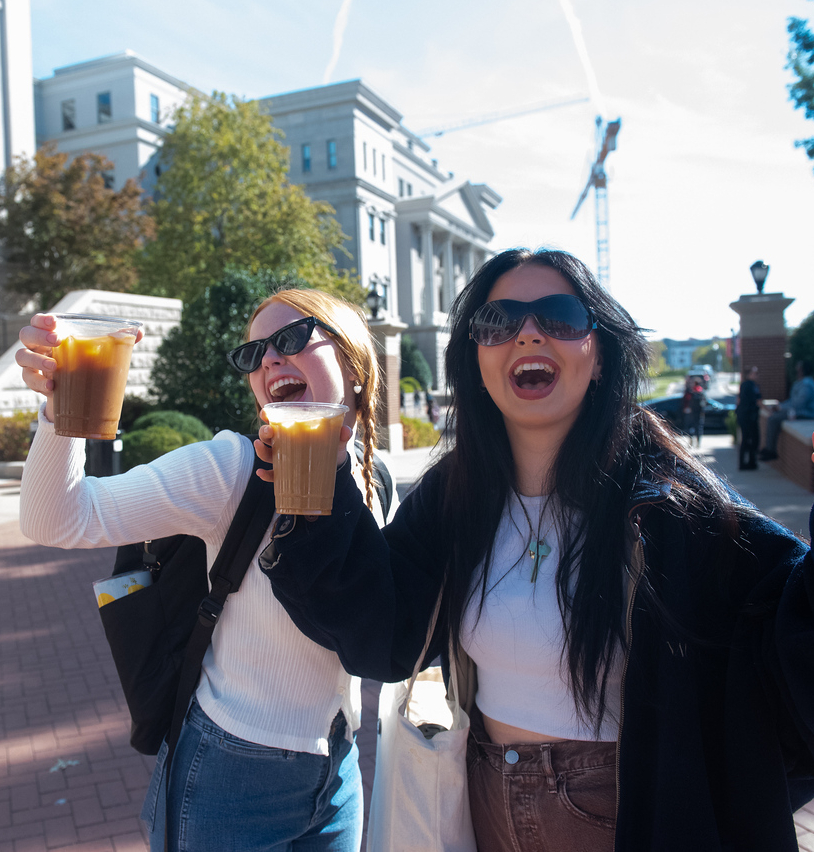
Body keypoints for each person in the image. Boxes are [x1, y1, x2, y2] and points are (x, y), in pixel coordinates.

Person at [258, 248, 814, 851]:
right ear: (475, 359)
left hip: (633, 817)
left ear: (599, 355)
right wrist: (318, 493)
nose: (527, 333)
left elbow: (793, 649)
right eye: (499, 322)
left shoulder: (673, 509)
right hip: (486, 809)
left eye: (559, 316)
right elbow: (380, 635)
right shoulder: (455, 496)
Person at [16, 287, 397, 852]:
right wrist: (56, 410)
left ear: (354, 362)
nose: (269, 359)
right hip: (230, 772)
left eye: (290, 339)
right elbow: (58, 520)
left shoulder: (376, 477)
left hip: (338, 773)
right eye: (254, 353)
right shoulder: (229, 469)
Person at [760, 359, 814, 460]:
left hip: (806, 413)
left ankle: (771, 450)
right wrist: (780, 406)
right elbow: (792, 401)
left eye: (799, 369)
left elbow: (799, 404)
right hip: (797, 411)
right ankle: (768, 448)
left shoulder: (807, 385)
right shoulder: (800, 383)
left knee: (774, 419)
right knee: (773, 416)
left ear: (803, 370)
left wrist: (781, 407)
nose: (797, 370)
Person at [736, 365, 762, 470]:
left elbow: (738, 400)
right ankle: (751, 462)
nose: (757, 375)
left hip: (743, 416)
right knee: (753, 439)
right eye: (755, 373)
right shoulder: (752, 386)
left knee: (745, 440)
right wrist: (770, 411)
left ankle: (743, 463)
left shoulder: (743, 385)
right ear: (749, 374)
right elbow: (758, 401)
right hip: (749, 416)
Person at [682, 375, 706, 446]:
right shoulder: (701, 392)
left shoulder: (690, 392)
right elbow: (705, 402)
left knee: (690, 426)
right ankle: (698, 442)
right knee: (699, 427)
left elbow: (685, 401)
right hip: (700, 412)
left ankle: (691, 440)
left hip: (691, 412)